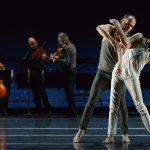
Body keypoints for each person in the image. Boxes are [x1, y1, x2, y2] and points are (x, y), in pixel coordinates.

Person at [73, 14, 136, 143]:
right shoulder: (110, 29)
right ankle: (81, 131)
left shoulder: (128, 39)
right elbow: (99, 27)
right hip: (102, 73)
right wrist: (112, 40)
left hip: (118, 76)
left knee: (122, 104)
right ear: (123, 20)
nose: (129, 27)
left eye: (132, 26)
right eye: (128, 23)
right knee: (92, 100)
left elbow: (127, 45)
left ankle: (125, 134)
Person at [101, 29, 150, 143]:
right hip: (118, 72)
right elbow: (122, 46)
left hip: (132, 76)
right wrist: (120, 65)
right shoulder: (139, 36)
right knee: (113, 105)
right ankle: (110, 136)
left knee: (140, 106)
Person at [50, 32, 78, 117]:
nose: (59, 43)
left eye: (59, 40)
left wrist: (56, 58)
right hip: (72, 70)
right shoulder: (72, 45)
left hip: (70, 71)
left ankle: (74, 112)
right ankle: (71, 110)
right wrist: (58, 55)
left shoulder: (67, 48)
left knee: (69, 92)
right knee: (68, 91)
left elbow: (67, 62)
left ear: (63, 40)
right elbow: (63, 55)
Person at [23, 36, 51, 115]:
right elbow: (25, 62)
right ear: (29, 45)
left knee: (42, 92)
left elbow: (46, 62)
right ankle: (38, 110)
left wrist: (44, 58)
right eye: (31, 44)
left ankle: (48, 109)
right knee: (35, 93)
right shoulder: (29, 53)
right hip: (32, 74)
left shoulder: (41, 50)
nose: (33, 45)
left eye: (33, 43)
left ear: (36, 42)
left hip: (40, 74)